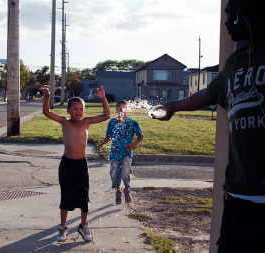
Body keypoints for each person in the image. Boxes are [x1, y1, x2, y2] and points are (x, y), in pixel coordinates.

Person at [152, 0, 265, 251]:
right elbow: (205, 95)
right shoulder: (235, 63)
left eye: (230, 13)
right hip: (237, 195)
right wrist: (172, 107)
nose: (226, 21)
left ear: (247, 12)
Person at [41, 86, 111, 242]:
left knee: (83, 196)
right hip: (67, 164)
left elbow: (107, 115)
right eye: (75, 109)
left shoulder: (86, 122)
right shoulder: (64, 122)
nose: (78, 111)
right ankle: (63, 227)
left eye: (81, 109)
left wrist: (102, 98)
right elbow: (47, 112)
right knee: (66, 196)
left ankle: (83, 225)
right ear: (68, 110)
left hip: (81, 164)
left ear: (84, 111)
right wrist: (47, 97)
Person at [97, 100, 143, 204]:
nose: (123, 111)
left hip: (126, 152)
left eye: (125, 109)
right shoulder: (112, 122)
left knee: (125, 172)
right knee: (114, 173)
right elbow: (108, 136)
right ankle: (118, 191)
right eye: (121, 109)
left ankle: (126, 190)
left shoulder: (132, 123)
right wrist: (102, 143)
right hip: (114, 152)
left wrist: (133, 145)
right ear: (117, 110)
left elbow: (140, 136)